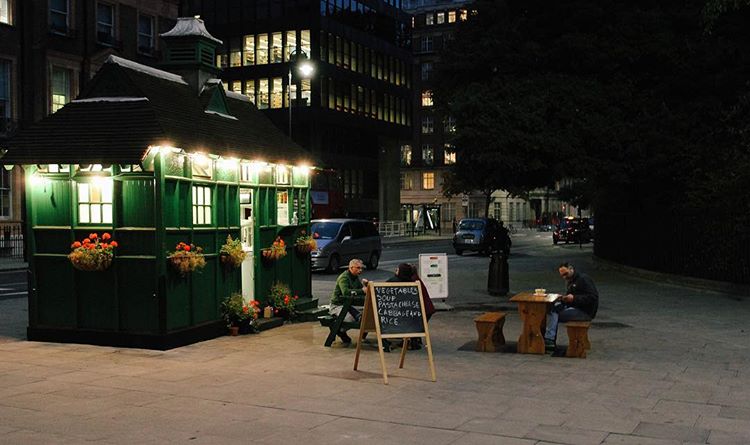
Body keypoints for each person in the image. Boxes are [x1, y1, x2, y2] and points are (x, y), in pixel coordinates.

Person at [544, 262, 599, 350]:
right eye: (562, 276)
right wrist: (563, 299)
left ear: (571, 269)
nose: (564, 277)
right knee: (553, 308)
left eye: (565, 274)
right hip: (577, 308)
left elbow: (593, 297)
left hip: (585, 311)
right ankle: (549, 338)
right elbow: (570, 298)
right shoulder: (571, 280)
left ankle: (549, 339)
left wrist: (574, 298)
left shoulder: (583, 279)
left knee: (554, 313)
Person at [386, 263, 436, 350]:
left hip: (422, 310)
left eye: (397, 270)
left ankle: (412, 342)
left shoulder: (411, 282)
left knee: (410, 322)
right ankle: (413, 340)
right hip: (426, 309)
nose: (395, 271)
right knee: (414, 324)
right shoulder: (414, 280)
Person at [329, 258, 369, 344]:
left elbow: (360, 290)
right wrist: (362, 290)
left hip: (349, 305)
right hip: (337, 305)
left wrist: (366, 286)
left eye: (361, 268)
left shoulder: (355, 277)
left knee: (366, 316)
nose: (360, 270)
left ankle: (340, 330)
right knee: (351, 319)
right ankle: (338, 329)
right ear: (351, 267)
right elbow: (345, 292)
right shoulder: (344, 277)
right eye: (358, 268)